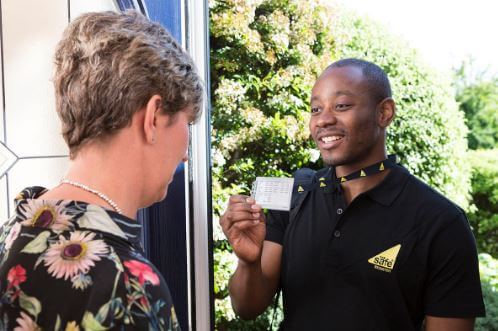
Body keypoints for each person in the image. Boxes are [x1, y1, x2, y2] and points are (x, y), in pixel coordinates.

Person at [220, 58, 485, 330]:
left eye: (342, 105)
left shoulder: (441, 222)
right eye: (315, 109)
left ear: (384, 113)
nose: (323, 119)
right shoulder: (294, 197)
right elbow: (247, 307)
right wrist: (248, 262)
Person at [0, 10, 202, 330]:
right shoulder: (129, 288)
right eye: (187, 122)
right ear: (152, 118)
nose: (186, 154)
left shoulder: (11, 233)